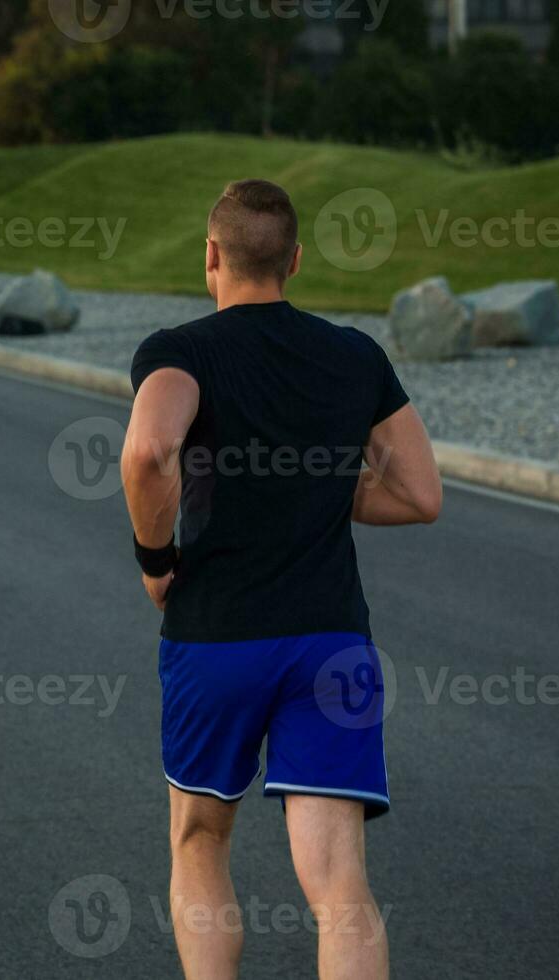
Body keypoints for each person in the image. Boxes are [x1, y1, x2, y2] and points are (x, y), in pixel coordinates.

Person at [121, 179, 441, 980]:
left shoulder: (182, 350)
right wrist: (324, 485)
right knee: (340, 884)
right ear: (294, 260)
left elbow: (147, 452)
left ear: (211, 256)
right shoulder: (355, 355)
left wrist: (157, 562)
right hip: (332, 642)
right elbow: (419, 493)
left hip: (217, 636)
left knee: (200, 840)